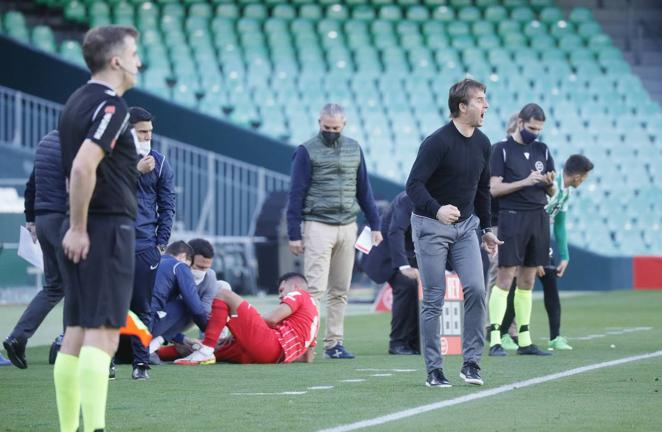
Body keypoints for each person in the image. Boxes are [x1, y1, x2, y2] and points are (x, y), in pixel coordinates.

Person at [53, 25, 141, 432]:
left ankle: (70, 428)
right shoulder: (112, 107)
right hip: (103, 231)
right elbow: (82, 165)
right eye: (135, 52)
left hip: (85, 228)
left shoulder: (74, 101)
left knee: (75, 334)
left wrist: (74, 227)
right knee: (103, 336)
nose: (140, 61)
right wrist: (80, 227)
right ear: (116, 60)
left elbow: (76, 172)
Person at [405, 78, 501, 388]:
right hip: (431, 226)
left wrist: (486, 229)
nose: (485, 106)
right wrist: (437, 210)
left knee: (475, 288)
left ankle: (471, 363)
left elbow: (483, 190)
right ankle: (434, 370)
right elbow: (413, 186)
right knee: (435, 297)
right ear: (462, 107)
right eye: (480, 100)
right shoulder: (437, 142)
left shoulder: (483, 143)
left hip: (467, 228)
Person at [286, 103, 382, 359]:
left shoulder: (354, 148)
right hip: (317, 224)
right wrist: (294, 232)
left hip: (348, 225)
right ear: (319, 122)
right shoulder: (306, 151)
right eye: (326, 127)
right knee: (315, 288)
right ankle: (308, 342)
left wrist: (375, 224)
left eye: (335, 128)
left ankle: (334, 343)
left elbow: (364, 190)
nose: (330, 131)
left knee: (340, 289)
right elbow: (296, 193)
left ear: (344, 125)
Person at [499, 154, 594, 351]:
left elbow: (559, 225)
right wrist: (536, 258)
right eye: (585, 177)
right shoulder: (548, 183)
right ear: (578, 176)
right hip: (523, 235)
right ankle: (502, 335)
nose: (584, 181)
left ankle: (555, 337)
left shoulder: (566, 193)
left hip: (540, 238)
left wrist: (565, 256)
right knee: (517, 283)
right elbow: (535, 213)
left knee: (549, 282)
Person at [487, 103, 556, 357]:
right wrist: (526, 181)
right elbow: (493, 188)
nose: (535, 133)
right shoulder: (501, 150)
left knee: (527, 279)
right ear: (519, 123)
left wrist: (549, 185)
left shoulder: (542, 149)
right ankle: (495, 336)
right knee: (505, 277)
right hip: (512, 217)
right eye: (531, 128)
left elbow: (553, 190)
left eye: (539, 129)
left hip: (538, 216)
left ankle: (524, 339)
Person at [3, 130, 67, 369]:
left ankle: (18, 337)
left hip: (43, 220)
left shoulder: (46, 142)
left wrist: (31, 219)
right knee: (76, 286)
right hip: (64, 221)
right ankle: (70, 349)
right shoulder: (78, 142)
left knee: (54, 287)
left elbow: (32, 184)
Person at [171, 272, 319, 365]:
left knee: (224, 293)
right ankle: (158, 353)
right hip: (274, 357)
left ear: (294, 286)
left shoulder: (299, 293)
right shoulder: (314, 318)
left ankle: (206, 350)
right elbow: (307, 358)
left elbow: (272, 319)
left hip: (270, 345)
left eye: (282, 290)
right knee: (217, 346)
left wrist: (246, 321)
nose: (281, 296)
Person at [127, 106, 175, 380]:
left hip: (145, 246)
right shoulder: (111, 158)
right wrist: (135, 170)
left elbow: (167, 204)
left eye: (149, 132)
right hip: (112, 242)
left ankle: (140, 363)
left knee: (141, 307)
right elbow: (103, 188)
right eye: (141, 132)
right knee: (109, 306)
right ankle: (106, 363)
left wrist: (161, 242)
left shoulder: (161, 162)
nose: (147, 137)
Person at [362, 191, 419, 355]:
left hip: (409, 253)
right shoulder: (408, 198)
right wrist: (404, 267)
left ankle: (417, 342)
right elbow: (396, 232)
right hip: (387, 253)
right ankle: (398, 342)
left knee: (421, 288)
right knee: (407, 285)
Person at [147, 238, 221, 355]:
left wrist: (183, 339)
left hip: (129, 324)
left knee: (222, 286)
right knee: (189, 304)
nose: (202, 271)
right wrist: (210, 336)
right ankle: (148, 348)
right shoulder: (179, 267)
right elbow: (196, 310)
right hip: (150, 324)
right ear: (184, 257)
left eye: (206, 268)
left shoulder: (151, 261)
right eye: (197, 266)